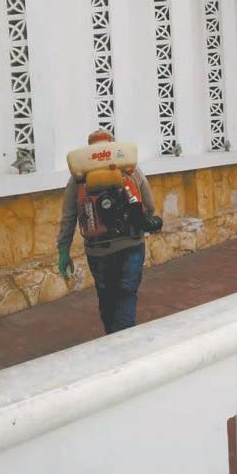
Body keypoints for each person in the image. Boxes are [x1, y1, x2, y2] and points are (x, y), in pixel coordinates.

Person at [57, 129, 158, 334]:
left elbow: (68, 217)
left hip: (97, 250)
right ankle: (124, 342)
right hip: (131, 244)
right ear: (112, 145)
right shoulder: (130, 169)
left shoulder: (78, 179)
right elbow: (149, 205)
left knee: (106, 297)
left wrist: (63, 251)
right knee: (126, 294)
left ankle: (112, 338)